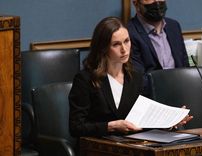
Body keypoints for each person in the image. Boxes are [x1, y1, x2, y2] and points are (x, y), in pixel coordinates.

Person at [69, 16, 192, 154]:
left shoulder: (135, 76)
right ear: (103, 48)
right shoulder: (85, 79)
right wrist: (111, 126)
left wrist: (169, 123)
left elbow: (144, 120)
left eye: (126, 41)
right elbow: (76, 127)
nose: (124, 49)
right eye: (116, 44)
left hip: (131, 147)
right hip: (97, 148)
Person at [127, 0, 189, 96]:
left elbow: (185, 66)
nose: (157, 2)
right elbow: (139, 80)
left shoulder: (174, 26)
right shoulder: (129, 33)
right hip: (151, 99)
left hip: (180, 93)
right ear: (136, 3)